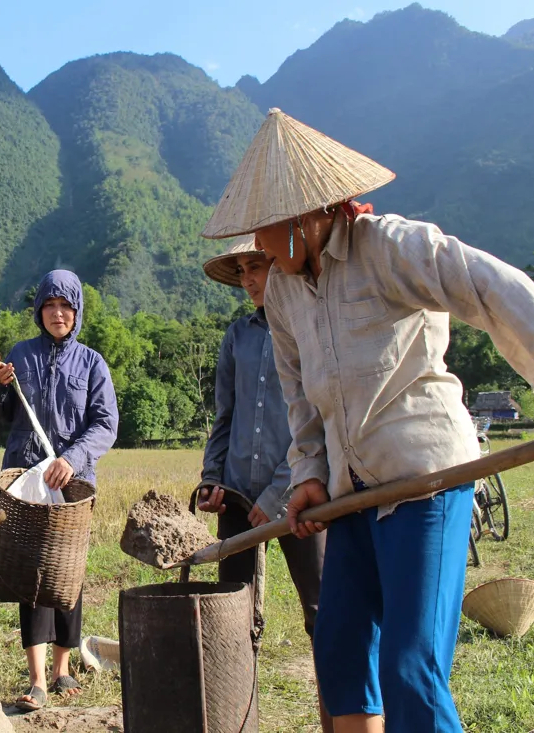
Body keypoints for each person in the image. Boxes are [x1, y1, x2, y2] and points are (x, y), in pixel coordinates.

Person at [201, 107, 534, 732]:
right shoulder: (281, 290)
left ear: (303, 217)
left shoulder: (389, 247)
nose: (258, 249)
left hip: (424, 480)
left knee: (410, 667)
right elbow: (297, 392)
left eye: (264, 233)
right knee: (340, 649)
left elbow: (490, 286)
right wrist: (307, 472)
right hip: (349, 494)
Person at [198, 235, 330, 732]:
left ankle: (336, 718)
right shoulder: (237, 336)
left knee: (322, 612)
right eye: (243, 272)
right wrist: (213, 480)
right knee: (232, 618)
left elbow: (314, 418)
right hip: (237, 496)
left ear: (280, 265)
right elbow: (224, 417)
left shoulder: (308, 324)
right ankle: (239, 720)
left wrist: (277, 495)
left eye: (259, 266)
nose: (251, 279)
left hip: (302, 493)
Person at [0, 270, 119, 711]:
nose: (58, 313)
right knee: (33, 576)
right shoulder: (20, 355)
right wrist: (2, 386)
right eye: (50, 305)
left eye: (66, 306)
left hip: (72, 481)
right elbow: (7, 414)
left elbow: (105, 424)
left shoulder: (92, 363)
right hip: (28, 480)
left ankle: (64, 669)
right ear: (39, 311)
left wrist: (73, 458)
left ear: (77, 311)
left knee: (67, 575)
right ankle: (38, 678)